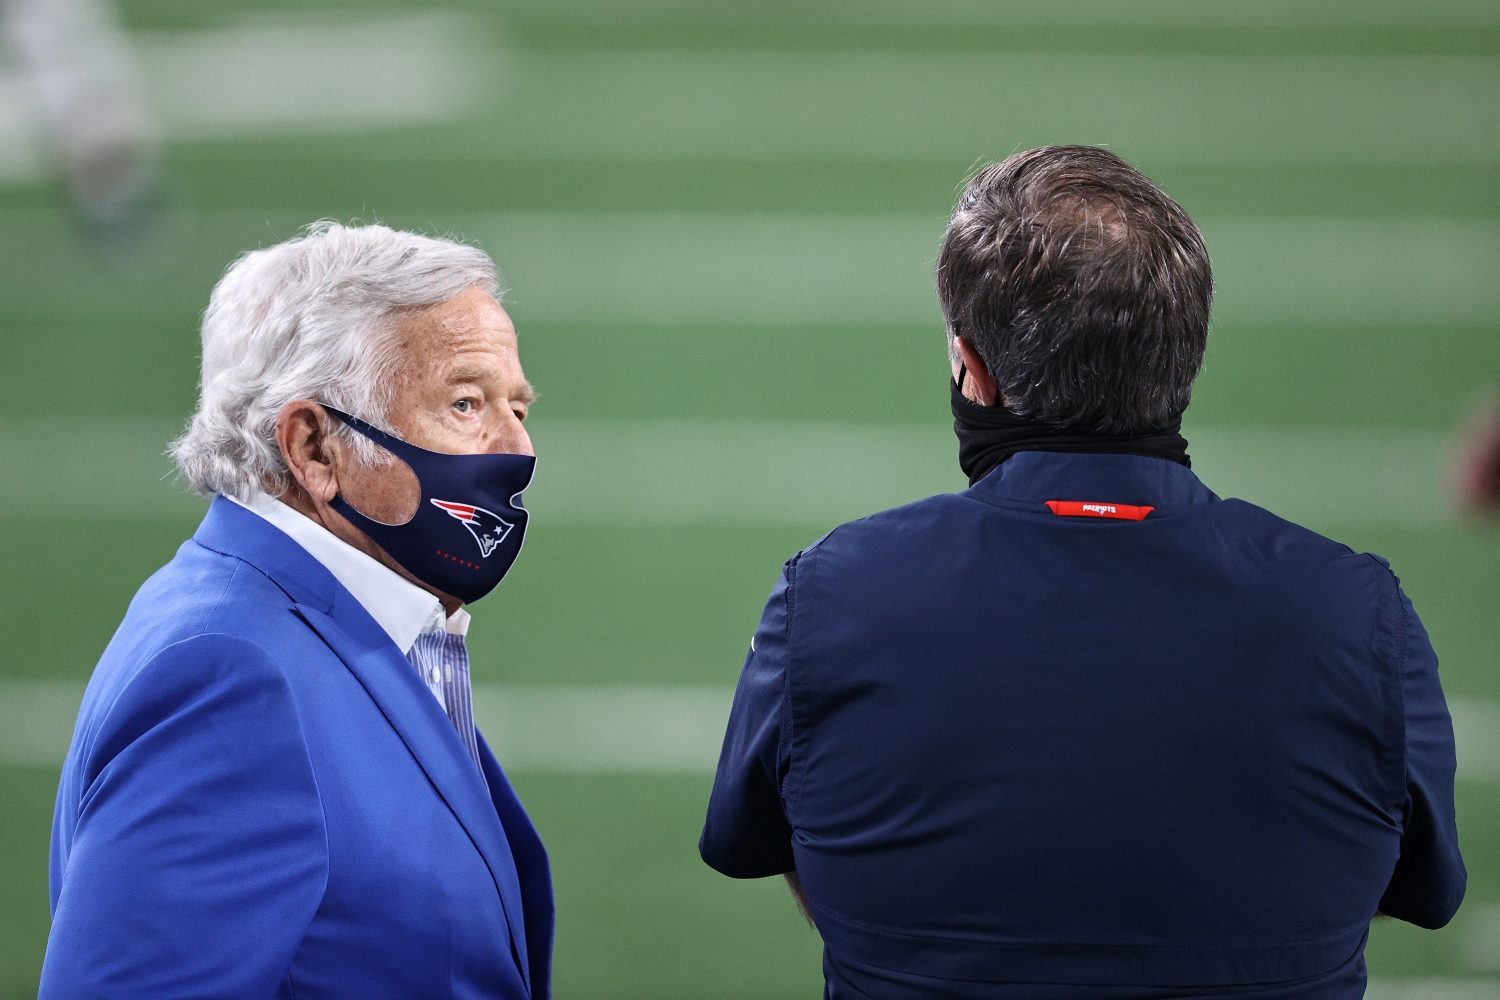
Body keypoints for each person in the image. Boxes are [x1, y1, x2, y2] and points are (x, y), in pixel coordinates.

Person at [700, 146, 1465, 999]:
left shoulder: (830, 593)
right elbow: (1418, 887)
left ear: (971, 368)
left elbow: (759, 845)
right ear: (1185, 356)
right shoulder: (1357, 613)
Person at [41, 222, 552, 998]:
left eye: (518, 407)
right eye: (465, 402)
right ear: (314, 447)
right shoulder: (229, 678)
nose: (516, 447)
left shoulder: (336, 620)